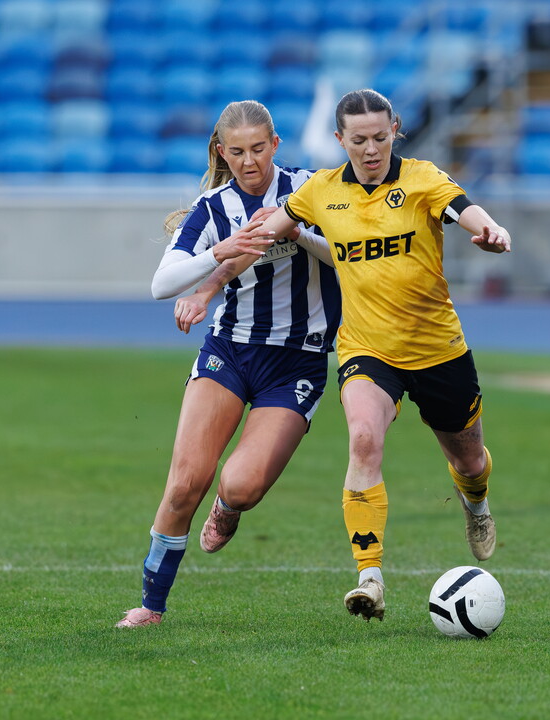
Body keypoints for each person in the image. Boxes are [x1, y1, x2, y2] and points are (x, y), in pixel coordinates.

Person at [185, 89, 512, 622]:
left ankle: (476, 505)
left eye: (380, 137)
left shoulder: (423, 179)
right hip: (365, 348)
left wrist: (491, 230)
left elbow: (465, 209)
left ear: (395, 131)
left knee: (469, 461)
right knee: (363, 440)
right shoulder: (320, 191)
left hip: (437, 349)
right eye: (358, 140)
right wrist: (205, 289)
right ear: (340, 139)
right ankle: (369, 579)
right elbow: (258, 240)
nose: (370, 149)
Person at [116, 100, 341, 628]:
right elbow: (161, 284)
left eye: (259, 149)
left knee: (240, 485)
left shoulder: (311, 188)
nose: (249, 161)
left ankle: (229, 508)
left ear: (276, 145)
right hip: (231, 351)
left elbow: (348, 254)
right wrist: (218, 255)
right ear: (221, 152)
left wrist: (296, 232)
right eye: (237, 152)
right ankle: (151, 606)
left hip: (298, 362)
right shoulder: (213, 209)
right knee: (184, 483)